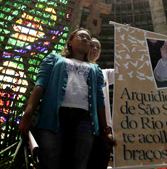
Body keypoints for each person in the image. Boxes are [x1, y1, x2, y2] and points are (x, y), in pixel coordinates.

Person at [19, 28, 115, 169]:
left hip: (85, 122)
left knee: (79, 164)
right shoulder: (54, 59)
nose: (85, 40)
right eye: (81, 36)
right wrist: (27, 114)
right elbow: (40, 86)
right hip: (54, 118)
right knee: (50, 162)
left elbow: (100, 101)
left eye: (88, 39)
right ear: (70, 41)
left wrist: (105, 131)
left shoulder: (96, 70)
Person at [87, 37, 115, 169]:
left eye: (98, 47)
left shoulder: (104, 73)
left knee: (101, 162)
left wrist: (126, 37)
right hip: (83, 124)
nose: (95, 49)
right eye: (92, 45)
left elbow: (127, 72)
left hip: (104, 128)